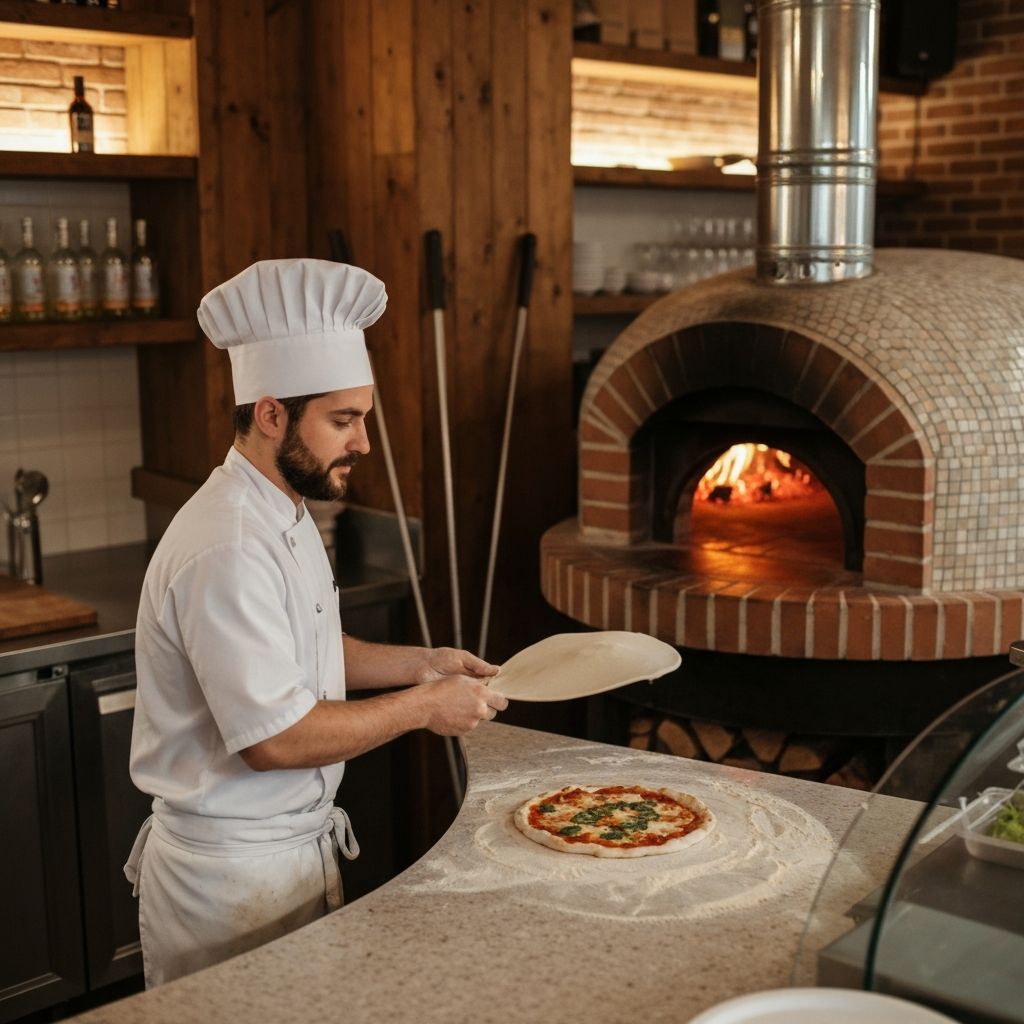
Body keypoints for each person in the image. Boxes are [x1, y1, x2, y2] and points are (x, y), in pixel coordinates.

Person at [125, 258, 508, 987]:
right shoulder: (228, 544)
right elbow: (274, 739)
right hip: (230, 884)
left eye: (362, 417)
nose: (363, 442)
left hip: (287, 855)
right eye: (343, 420)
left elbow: (304, 646)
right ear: (271, 415)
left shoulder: (283, 511)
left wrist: (421, 663)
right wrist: (426, 708)